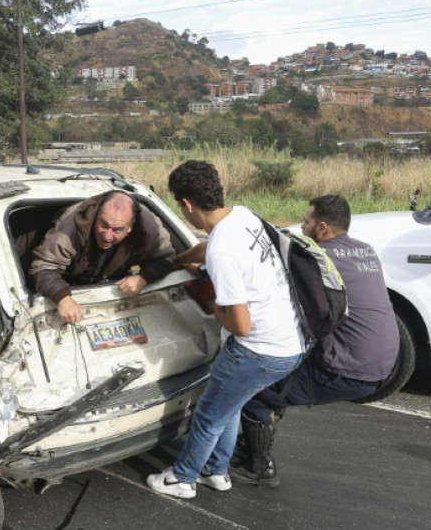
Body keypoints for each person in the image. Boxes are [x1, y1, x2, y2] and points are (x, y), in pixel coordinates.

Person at [145, 160, 304, 499]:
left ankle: (183, 478)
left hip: (259, 350)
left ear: (186, 204)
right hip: (289, 343)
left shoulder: (222, 252)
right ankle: (217, 472)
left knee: (207, 414)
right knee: (228, 407)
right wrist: (177, 260)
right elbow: (207, 247)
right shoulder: (242, 216)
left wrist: (218, 309)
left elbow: (241, 326)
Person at [230, 194, 399, 488]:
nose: (302, 226)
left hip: (348, 369)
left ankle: (259, 467)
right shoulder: (366, 251)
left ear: (322, 229)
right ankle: (256, 438)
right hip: (387, 361)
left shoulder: (317, 259)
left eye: (306, 222)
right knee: (282, 380)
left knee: (257, 390)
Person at [29, 190, 176, 323]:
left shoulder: (150, 229)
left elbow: (167, 257)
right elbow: (43, 265)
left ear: (131, 227)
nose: (107, 236)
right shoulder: (71, 224)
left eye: (117, 230)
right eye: (103, 225)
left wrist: (144, 278)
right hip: (68, 278)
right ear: (97, 214)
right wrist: (61, 297)